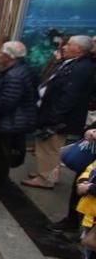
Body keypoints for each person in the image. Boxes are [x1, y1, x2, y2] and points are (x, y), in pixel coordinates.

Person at [23, 35, 95, 190]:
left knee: (50, 147)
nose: (64, 47)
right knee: (45, 146)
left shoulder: (82, 68)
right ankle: (43, 172)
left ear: (79, 49)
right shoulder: (72, 63)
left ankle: (46, 178)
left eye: (69, 45)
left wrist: (55, 116)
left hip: (59, 117)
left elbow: (70, 96)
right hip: (52, 112)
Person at [0, 41, 37, 191]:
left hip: (7, 122)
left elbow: (7, 101)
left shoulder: (15, 76)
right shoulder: (19, 71)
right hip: (7, 121)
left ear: (9, 57)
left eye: (1, 54)